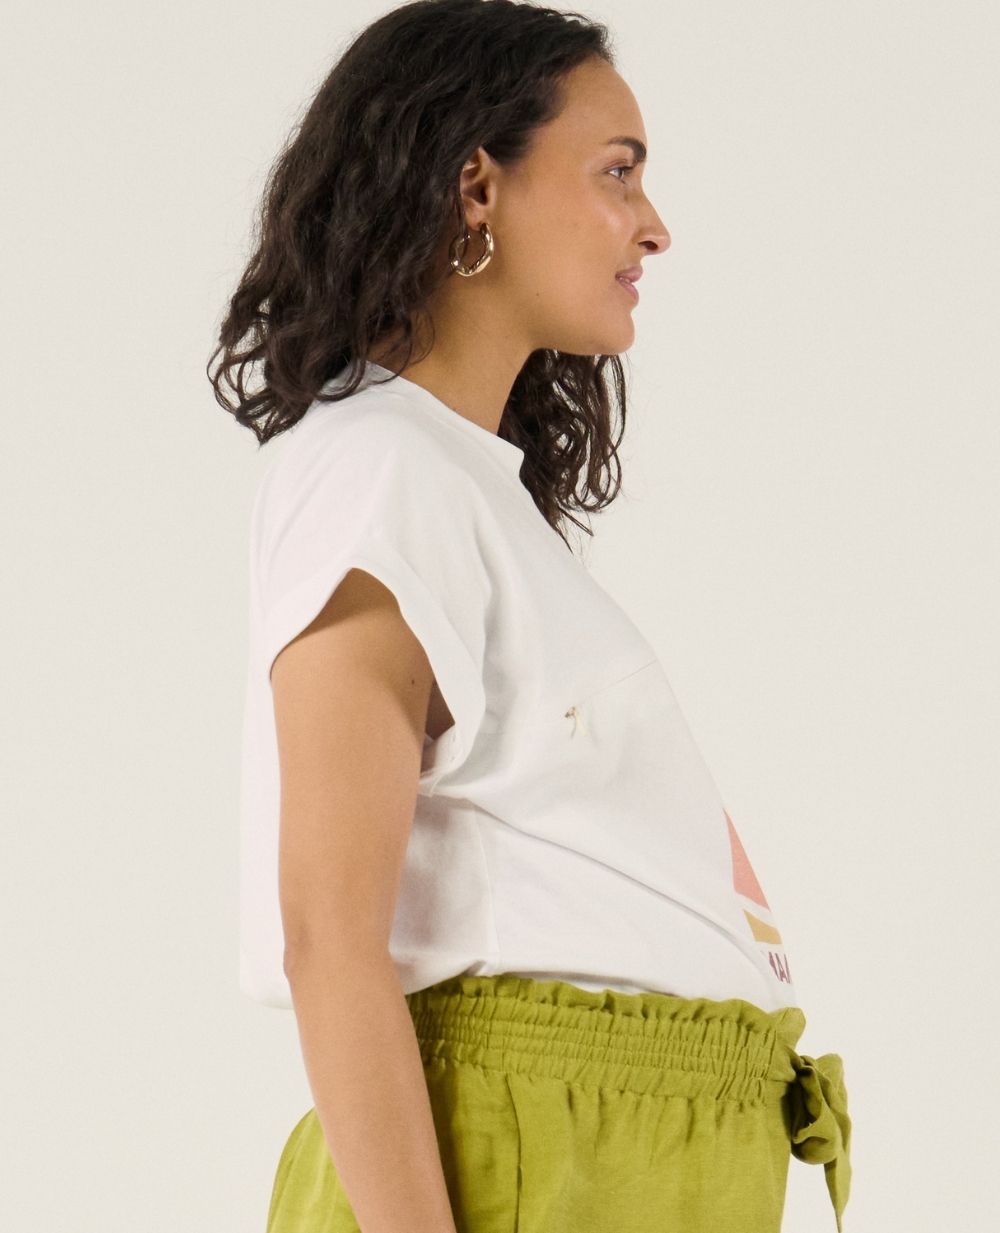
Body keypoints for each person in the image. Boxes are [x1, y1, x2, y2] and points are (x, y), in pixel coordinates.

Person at [207, 2, 853, 1231]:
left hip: (633, 1160)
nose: (652, 225)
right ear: (476, 188)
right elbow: (328, 935)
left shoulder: (465, 492)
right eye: (616, 173)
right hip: (539, 1151)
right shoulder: (378, 469)